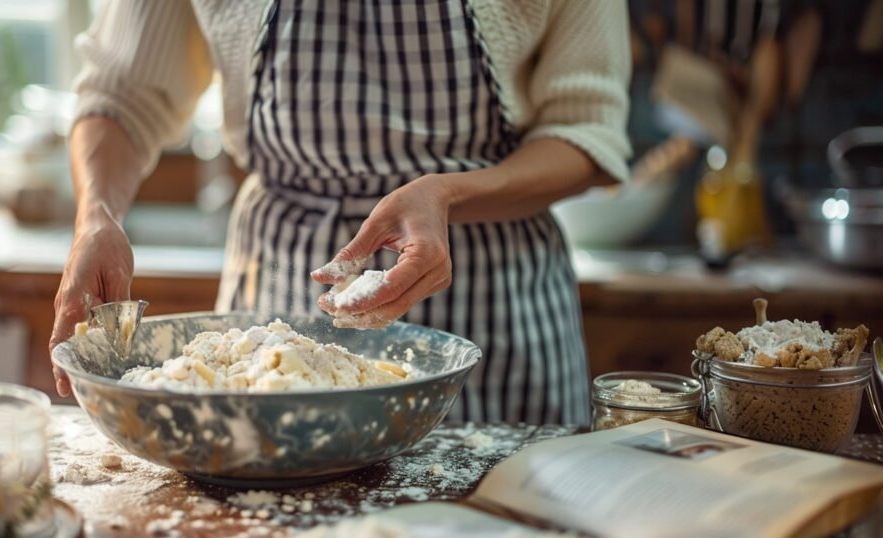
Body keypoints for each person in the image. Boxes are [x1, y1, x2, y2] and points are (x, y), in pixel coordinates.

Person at [50, 0, 631, 425]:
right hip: (281, 281)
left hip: (497, 293)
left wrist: (449, 193)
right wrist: (95, 216)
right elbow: (120, 97)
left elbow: (584, 131)